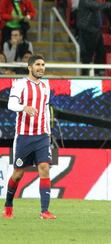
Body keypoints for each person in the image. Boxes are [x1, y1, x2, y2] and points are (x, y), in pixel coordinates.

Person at [3, 55, 56, 220]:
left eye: (43, 64)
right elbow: (10, 105)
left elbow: (46, 110)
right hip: (24, 137)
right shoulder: (20, 84)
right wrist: (23, 107)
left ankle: (44, 211)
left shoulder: (46, 86)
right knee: (18, 174)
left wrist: (48, 131)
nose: (41, 67)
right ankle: (8, 205)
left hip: (41, 136)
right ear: (30, 67)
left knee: (45, 168)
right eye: (38, 65)